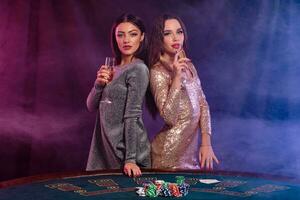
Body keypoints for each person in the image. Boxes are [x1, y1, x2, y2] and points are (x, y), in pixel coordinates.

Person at [148, 14, 219, 170]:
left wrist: (206, 143)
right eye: (167, 33)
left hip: (190, 155)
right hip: (167, 156)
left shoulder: (189, 65)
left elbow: (203, 104)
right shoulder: (157, 71)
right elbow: (170, 117)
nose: (175, 38)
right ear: (159, 38)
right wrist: (177, 78)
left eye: (179, 32)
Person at [86, 13, 151, 177]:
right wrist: (98, 85)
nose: (126, 40)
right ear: (115, 38)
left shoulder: (139, 69)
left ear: (142, 37)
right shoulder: (111, 68)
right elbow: (91, 106)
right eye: (120, 35)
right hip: (103, 148)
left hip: (126, 153)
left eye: (133, 34)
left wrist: (130, 159)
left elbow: (132, 115)